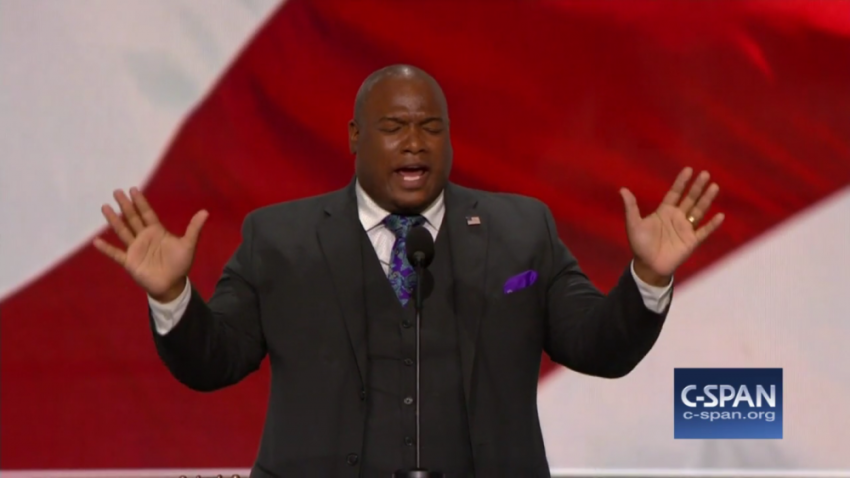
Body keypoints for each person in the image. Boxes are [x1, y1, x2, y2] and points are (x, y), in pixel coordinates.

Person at [93, 64, 724, 478]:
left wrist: (646, 277)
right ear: (354, 137)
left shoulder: (519, 230)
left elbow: (598, 346)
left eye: (431, 128)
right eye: (393, 128)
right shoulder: (278, 238)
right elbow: (214, 362)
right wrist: (174, 296)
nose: (415, 143)